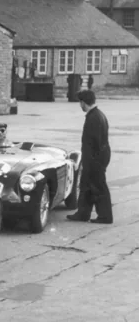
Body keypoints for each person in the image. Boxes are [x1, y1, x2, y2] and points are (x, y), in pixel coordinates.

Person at [67, 90, 112, 224]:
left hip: (95, 159)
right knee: (86, 185)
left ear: (83, 102)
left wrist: (91, 162)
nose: (80, 106)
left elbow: (93, 143)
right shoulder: (98, 115)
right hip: (97, 157)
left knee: (98, 187)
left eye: (80, 103)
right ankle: (83, 213)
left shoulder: (93, 118)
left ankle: (105, 216)